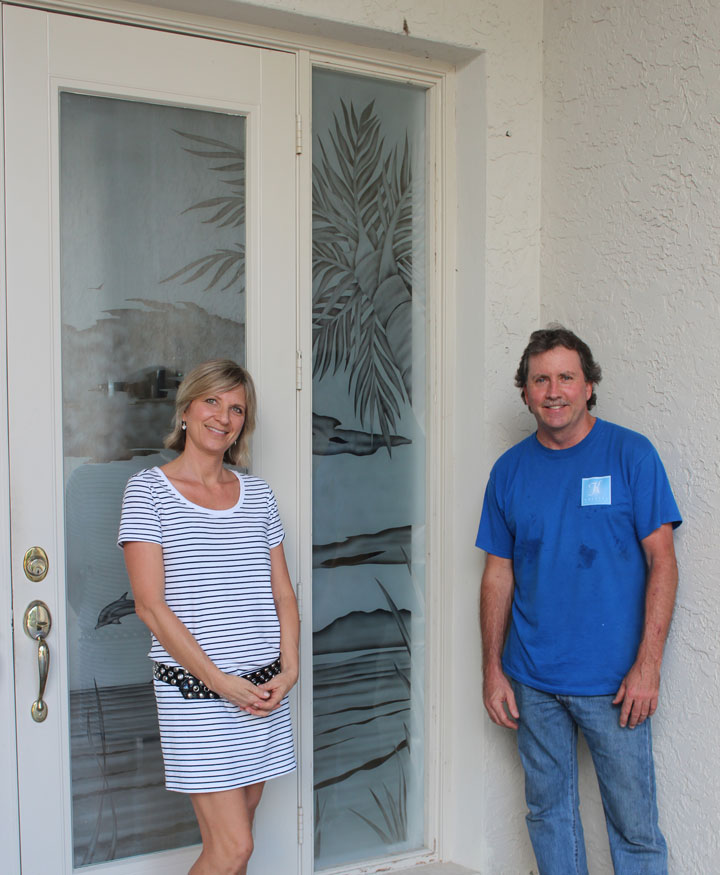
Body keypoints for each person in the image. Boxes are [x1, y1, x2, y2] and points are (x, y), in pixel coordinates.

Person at [477, 326, 681, 875]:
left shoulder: (631, 454)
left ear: (589, 386)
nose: (554, 390)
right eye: (540, 379)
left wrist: (648, 665)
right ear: (525, 392)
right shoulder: (509, 471)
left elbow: (663, 560)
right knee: (548, 814)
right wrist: (493, 669)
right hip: (532, 681)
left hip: (616, 684)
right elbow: (498, 575)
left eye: (567, 377)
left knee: (634, 827)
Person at [118, 359, 299, 875]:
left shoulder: (257, 493)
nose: (224, 416)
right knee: (233, 848)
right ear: (187, 409)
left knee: (239, 832)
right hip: (198, 693)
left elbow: (283, 594)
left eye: (237, 407)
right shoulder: (148, 491)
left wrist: (289, 669)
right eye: (213, 401)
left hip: (262, 692)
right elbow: (150, 605)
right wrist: (220, 682)